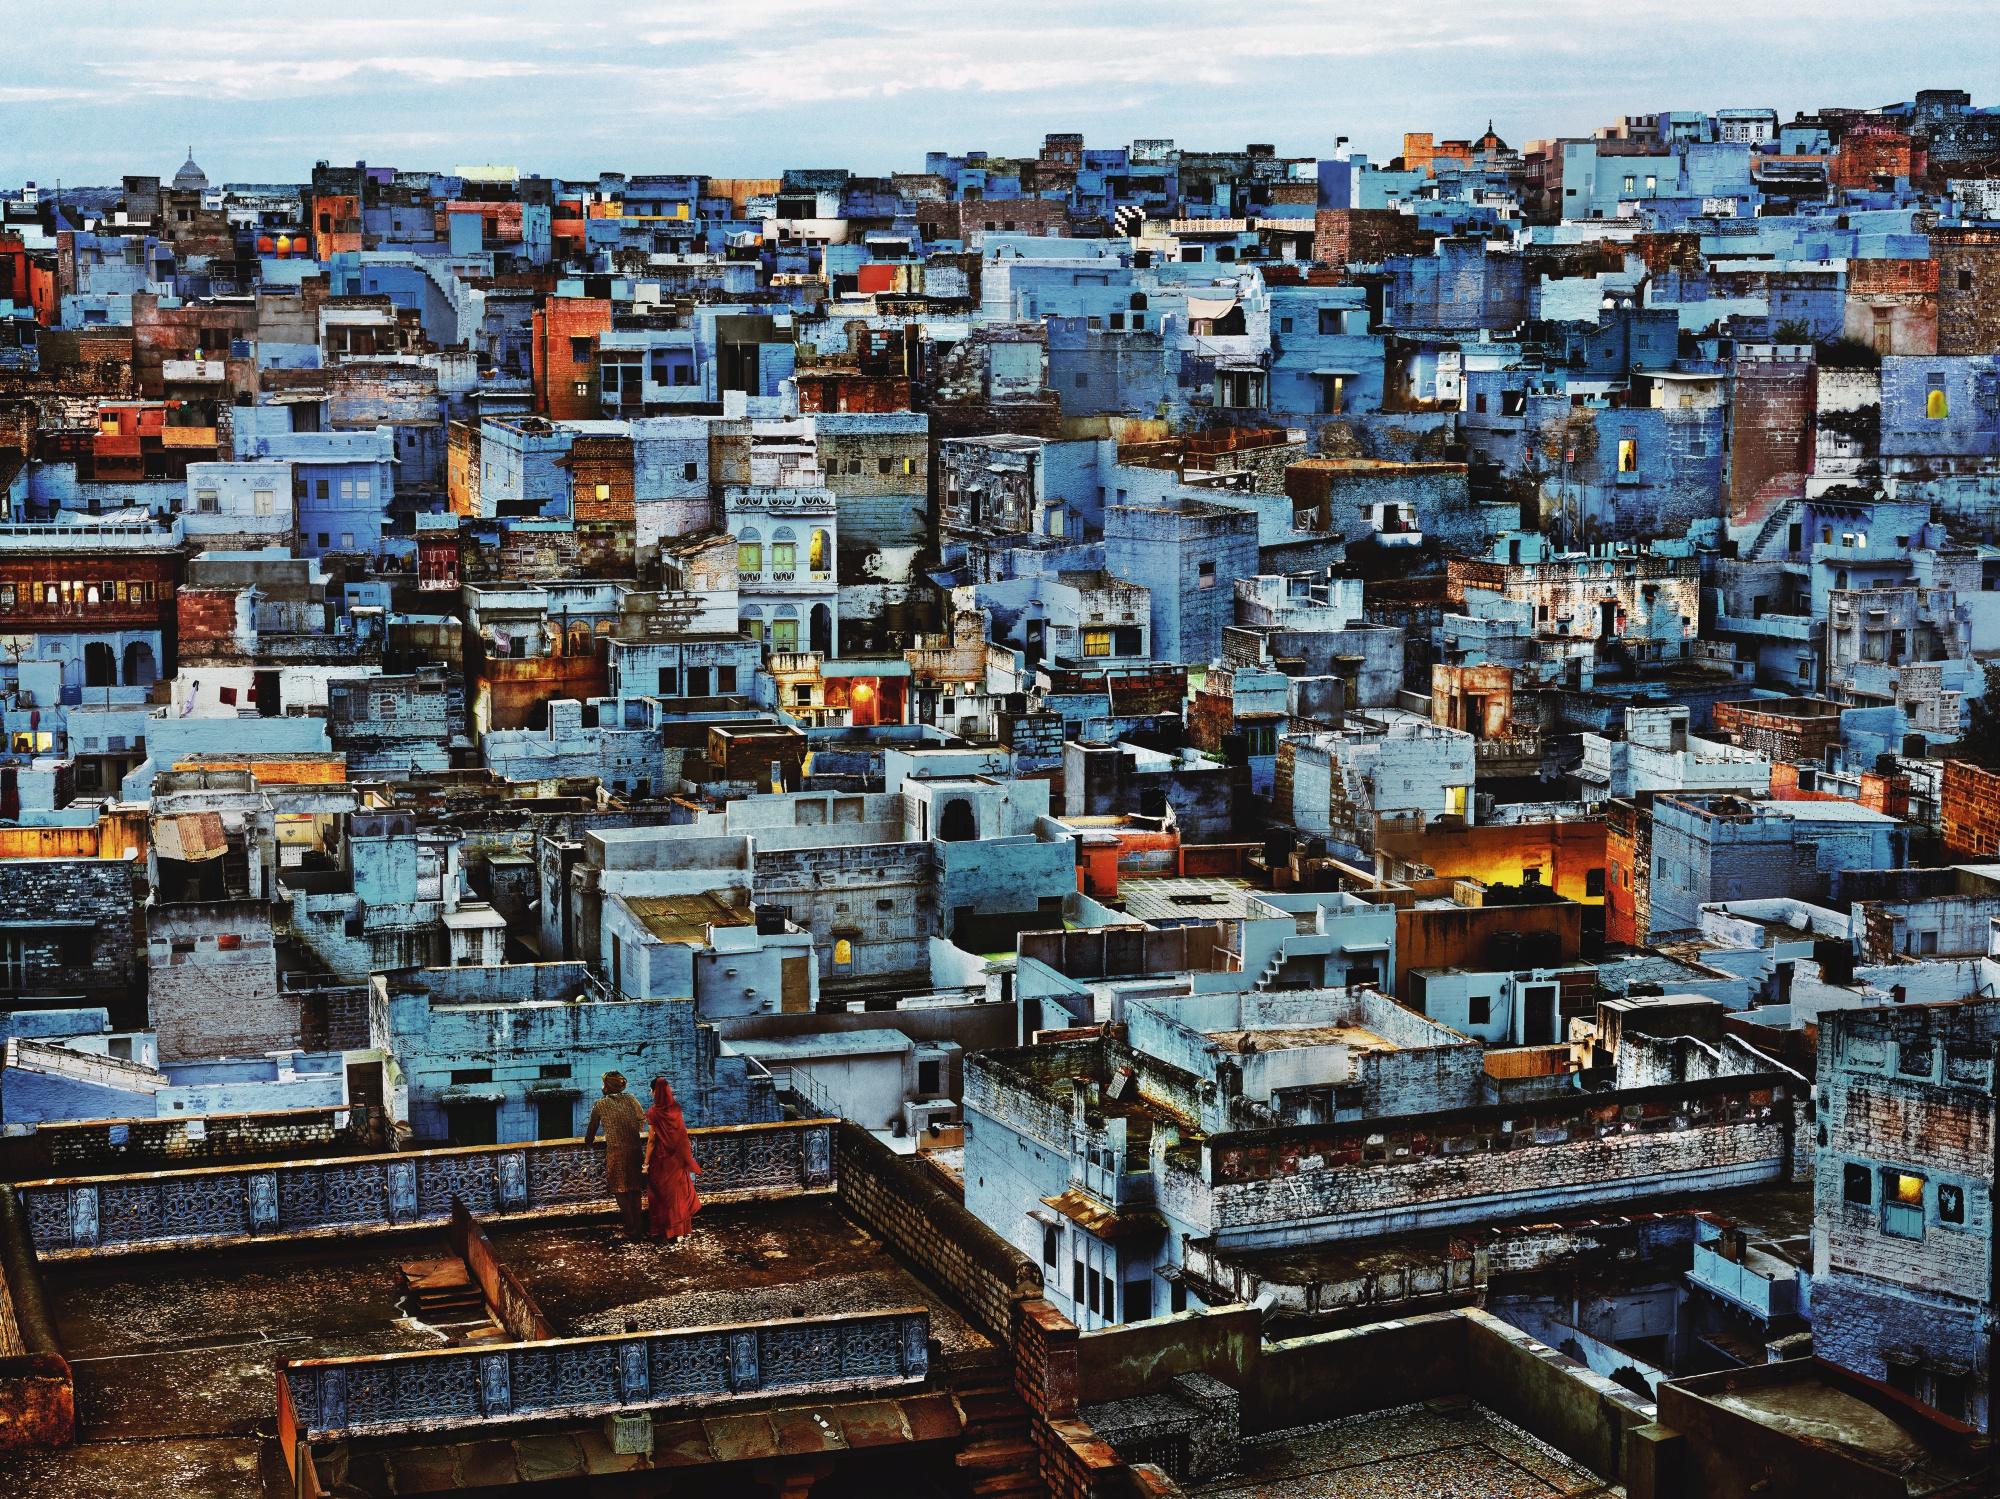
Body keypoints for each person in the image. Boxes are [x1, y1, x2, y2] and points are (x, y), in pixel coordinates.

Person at [583, 1070, 646, 1239]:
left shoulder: (600, 1104)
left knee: (619, 1189)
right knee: (634, 1189)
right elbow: (642, 1118)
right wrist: (634, 1131)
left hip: (616, 1152)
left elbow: (592, 1129)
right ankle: (639, 1225)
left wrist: (588, 1142)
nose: (602, 1086)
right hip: (634, 1149)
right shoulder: (631, 1099)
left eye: (604, 1083)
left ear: (608, 1086)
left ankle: (630, 1226)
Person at [644, 1077, 702, 1243]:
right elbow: (681, 1135)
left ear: (656, 1091)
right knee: (678, 1193)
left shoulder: (653, 1113)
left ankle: (668, 1232)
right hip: (677, 1159)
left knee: (662, 1195)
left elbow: (652, 1141)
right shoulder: (676, 1109)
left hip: (661, 1160)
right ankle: (681, 1231)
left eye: (651, 1089)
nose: (650, 1092)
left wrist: (646, 1163)